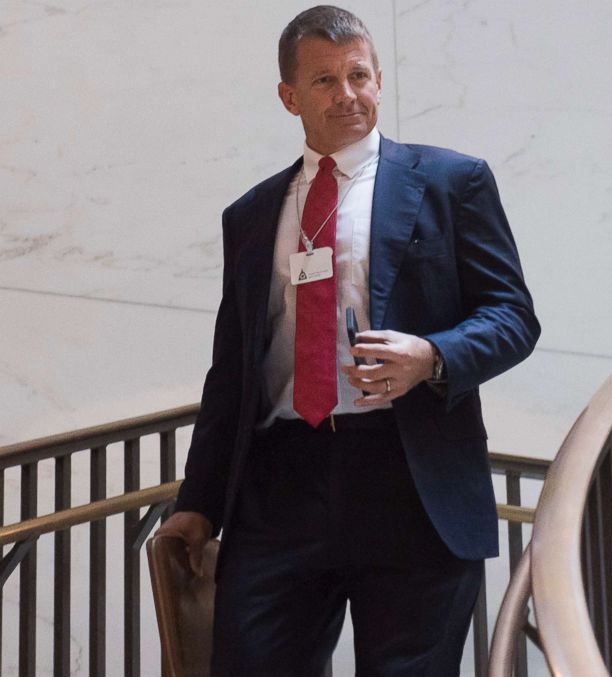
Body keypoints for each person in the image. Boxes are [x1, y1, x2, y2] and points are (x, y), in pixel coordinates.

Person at [155, 5, 540, 675]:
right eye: (326, 81)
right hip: (280, 485)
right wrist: (198, 501)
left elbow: (512, 316)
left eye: (359, 75)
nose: (349, 95)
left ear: (380, 80)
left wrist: (432, 355)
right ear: (289, 96)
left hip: (410, 476)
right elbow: (232, 375)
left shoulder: (453, 183)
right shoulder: (249, 216)